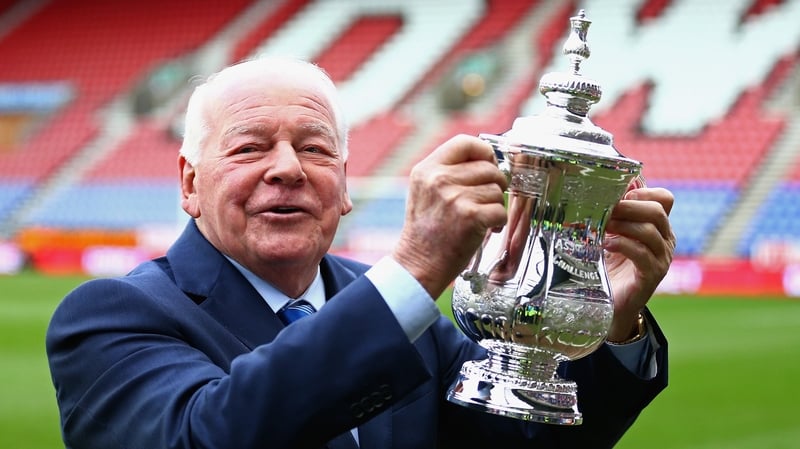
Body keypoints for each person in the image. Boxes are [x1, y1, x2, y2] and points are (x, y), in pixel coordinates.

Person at [46, 57, 676, 449]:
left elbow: (522, 440)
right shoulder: (111, 315)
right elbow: (206, 436)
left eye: (315, 149)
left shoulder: (408, 320)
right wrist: (415, 269)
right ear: (189, 183)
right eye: (249, 148)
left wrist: (613, 323)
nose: (288, 169)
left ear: (344, 186)